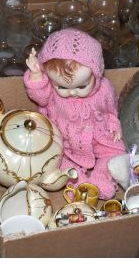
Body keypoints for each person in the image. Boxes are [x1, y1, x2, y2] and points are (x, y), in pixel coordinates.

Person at [24, 28, 126, 199]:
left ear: (96, 74)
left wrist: (113, 123)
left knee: (115, 151)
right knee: (55, 160)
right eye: (62, 87)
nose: (71, 92)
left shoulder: (104, 88)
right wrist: (36, 76)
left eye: (81, 86)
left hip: (97, 134)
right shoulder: (50, 90)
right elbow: (39, 97)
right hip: (65, 141)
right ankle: (77, 182)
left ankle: (101, 177)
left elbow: (111, 108)